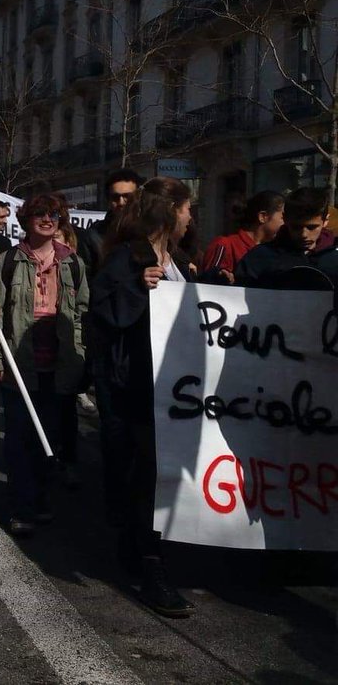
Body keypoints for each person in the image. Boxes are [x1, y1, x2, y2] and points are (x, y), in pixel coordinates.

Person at [89, 176, 196, 618]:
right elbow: (103, 313)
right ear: (170, 213)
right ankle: (150, 567)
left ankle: (136, 550)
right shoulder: (125, 259)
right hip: (138, 391)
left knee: (157, 476)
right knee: (146, 477)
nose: (191, 219)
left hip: (175, 390)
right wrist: (138, 287)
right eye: (188, 210)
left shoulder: (180, 260)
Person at [0, 194, 89, 537]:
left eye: (54, 214)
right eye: (39, 213)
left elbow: (80, 315)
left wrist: (78, 357)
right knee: (19, 439)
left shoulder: (73, 263)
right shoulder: (7, 261)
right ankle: (22, 506)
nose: (47, 219)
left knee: (51, 438)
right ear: (26, 219)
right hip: (20, 365)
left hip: (58, 367)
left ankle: (43, 500)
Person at [235, 187, 338, 290]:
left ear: (325, 221)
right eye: (296, 227)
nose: (304, 234)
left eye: (311, 227)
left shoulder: (334, 259)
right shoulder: (259, 257)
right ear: (285, 219)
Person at [199, 191, 285, 284]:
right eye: (283, 217)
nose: (286, 223)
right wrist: (222, 276)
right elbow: (210, 281)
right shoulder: (226, 245)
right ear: (263, 216)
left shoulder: (278, 251)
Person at [78, 169, 144, 281]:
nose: (121, 202)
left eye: (127, 196)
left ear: (139, 198)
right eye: (115, 197)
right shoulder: (93, 236)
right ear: (108, 200)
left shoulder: (151, 230)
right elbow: (86, 280)